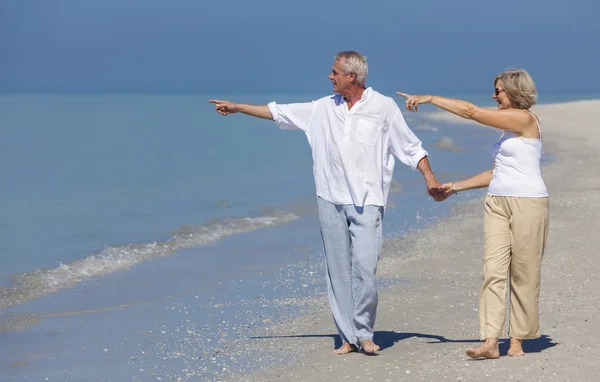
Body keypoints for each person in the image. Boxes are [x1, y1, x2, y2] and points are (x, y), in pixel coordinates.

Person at [209, 51, 445, 355]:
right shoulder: (321, 108)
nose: (330, 77)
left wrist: (430, 178)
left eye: (335, 72)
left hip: (368, 200)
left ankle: (365, 331)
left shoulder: (383, 107)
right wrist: (238, 107)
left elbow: (411, 147)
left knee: (364, 268)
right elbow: (278, 112)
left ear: (352, 77)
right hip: (330, 198)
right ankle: (349, 336)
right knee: (337, 271)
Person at [397, 68, 549, 359]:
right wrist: (454, 187)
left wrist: (430, 98)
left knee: (523, 273)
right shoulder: (508, 130)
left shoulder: (525, 119)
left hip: (529, 203)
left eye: (498, 91)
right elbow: (497, 172)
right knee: (492, 270)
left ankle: (516, 340)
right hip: (497, 202)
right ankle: (491, 342)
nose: (494, 96)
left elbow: (470, 112)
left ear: (514, 91)